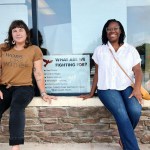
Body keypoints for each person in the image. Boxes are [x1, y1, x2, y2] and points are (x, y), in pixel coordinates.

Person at [79, 19, 142, 150]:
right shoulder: (100, 50)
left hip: (126, 87)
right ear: (105, 32)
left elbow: (138, 71)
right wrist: (92, 92)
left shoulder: (130, 50)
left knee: (135, 111)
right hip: (106, 88)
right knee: (121, 114)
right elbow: (97, 73)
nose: (112, 31)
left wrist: (137, 89)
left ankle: (124, 140)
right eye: (109, 29)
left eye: (115, 28)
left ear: (120, 31)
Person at [0, 20, 57, 150]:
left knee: (16, 107)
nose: (18, 33)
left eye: (21, 30)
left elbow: (38, 73)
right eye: (14, 30)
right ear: (11, 34)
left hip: (24, 87)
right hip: (4, 87)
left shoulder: (34, 50)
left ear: (26, 33)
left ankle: (15, 146)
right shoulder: (2, 48)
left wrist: (43, 92)